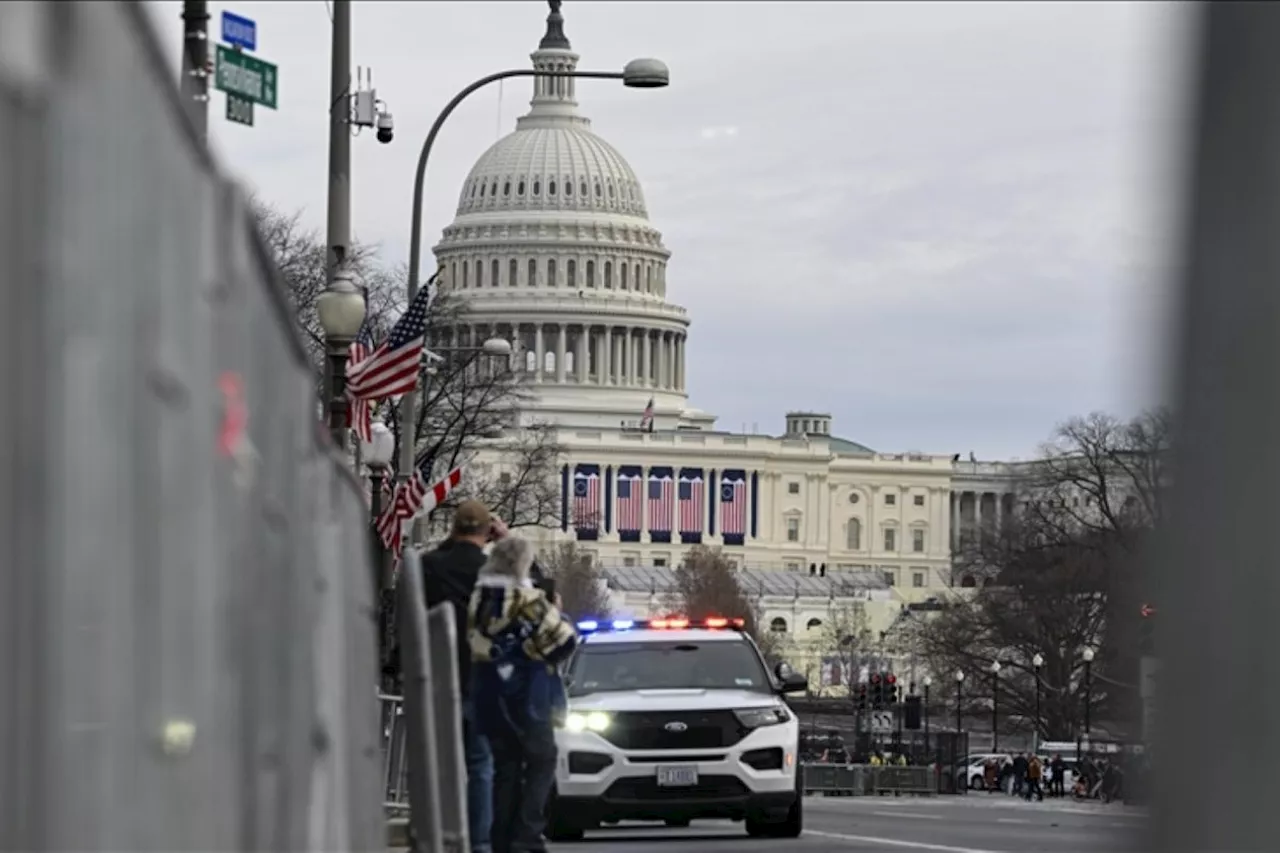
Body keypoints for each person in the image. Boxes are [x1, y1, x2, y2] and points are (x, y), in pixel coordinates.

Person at [469, 535, 578, 853]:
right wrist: (533, 651)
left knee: (506, 767)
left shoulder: (478, 598)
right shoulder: (528, 600)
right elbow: (565, 641)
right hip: (529, 696)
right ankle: (528, 833)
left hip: (490, 694)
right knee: (541, 761)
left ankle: (501, 835)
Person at [422, 499, 507, 853]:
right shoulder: (494, 570)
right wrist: (505, 541)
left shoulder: (429, 565)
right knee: (480, 764)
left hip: (437, 677)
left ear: (455, 529)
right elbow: (541, 592)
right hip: (484, 678)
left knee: (436, 763)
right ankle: (478, 844)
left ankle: (436, 837)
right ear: (487, 531)